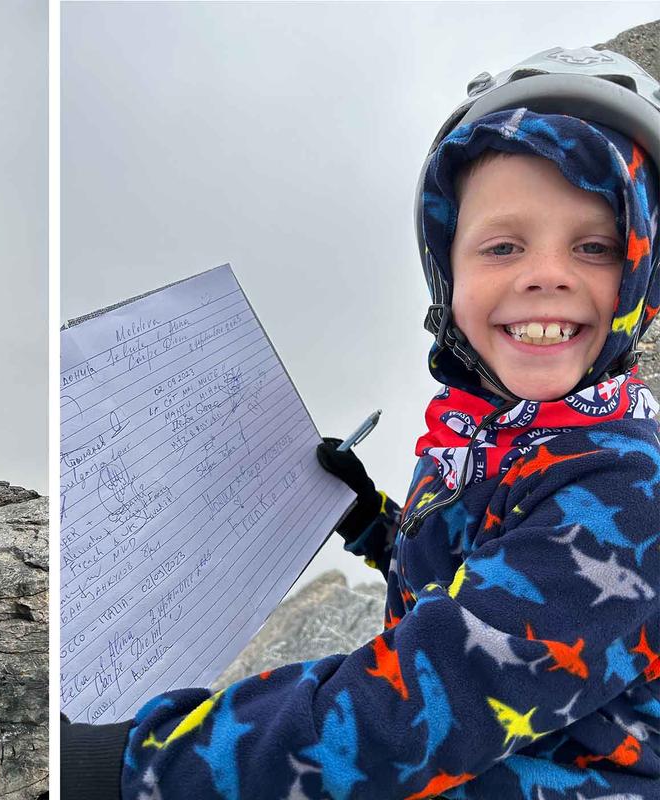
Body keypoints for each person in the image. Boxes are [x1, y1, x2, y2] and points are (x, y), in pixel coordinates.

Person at [61, 47, 660, 799]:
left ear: (644, 272)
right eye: (504, 246)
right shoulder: (500, 434)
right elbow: (470, 572)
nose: (546, 273)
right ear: (448, 272)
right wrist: (372, 520)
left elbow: (422, 704)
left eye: (595, 246)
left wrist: (136, 765)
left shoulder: (630, 490)